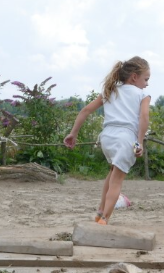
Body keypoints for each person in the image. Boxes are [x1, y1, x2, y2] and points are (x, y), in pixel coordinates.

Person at [64, 57, 152, 225]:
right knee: (117, 181)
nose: (147, 84)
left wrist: (73, 133)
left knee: (112, 173)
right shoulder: (142, 94)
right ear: (134, 77)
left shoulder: (110, 90)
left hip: (107, 137)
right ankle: (105, 219)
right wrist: (139, 141)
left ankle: (99, 212)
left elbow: (86, 110)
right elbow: (144, 117)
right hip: (125, 138)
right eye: (145, 79)